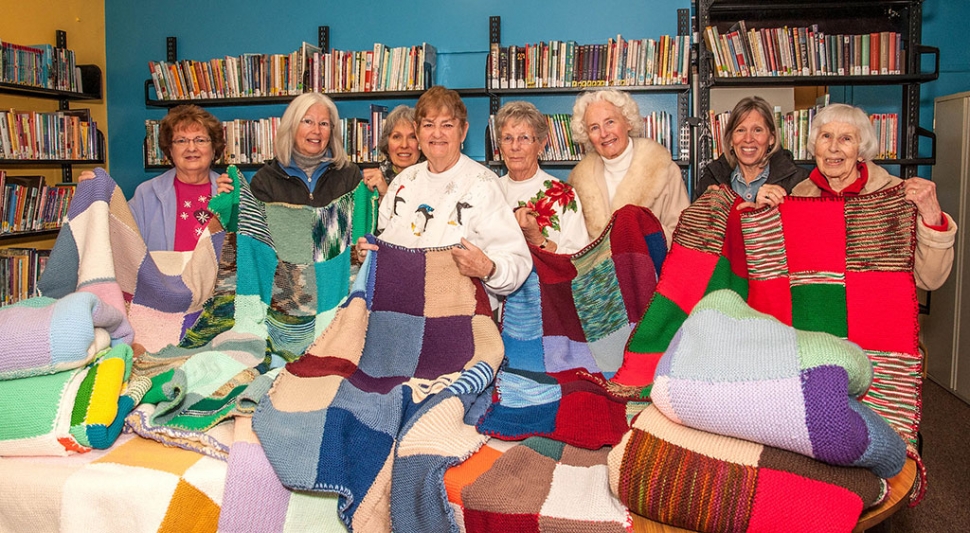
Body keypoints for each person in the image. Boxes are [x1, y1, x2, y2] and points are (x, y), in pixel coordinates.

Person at [357, 86, 532, 300]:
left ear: (463, 131)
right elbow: (385, 240)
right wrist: (369, 253)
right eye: (428, 125)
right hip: (401, 308)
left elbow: (517, 261)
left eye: (447, 125)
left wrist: (488, 268)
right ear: (417, 130)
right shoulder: (403, 182)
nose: (437, 133)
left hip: (459, 313)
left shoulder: (483, 185)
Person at [792, 103, 956, 290]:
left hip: (878, 312)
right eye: (826, 136)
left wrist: (933, 219)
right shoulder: (798, 197)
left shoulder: (896, 198)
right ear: (815, 146)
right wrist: (758, 213)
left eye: (846, 138)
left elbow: (930, 280)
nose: (833, 147)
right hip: (817, 312)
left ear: (861, 152)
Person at [81, 104, 233, 252]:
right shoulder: (147, 193)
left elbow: (244, 251)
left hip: (217, 277)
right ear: (170, 150)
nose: (191, 148)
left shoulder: (229, 192)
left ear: (214, 149)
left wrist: (232, 210)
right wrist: (95, 199)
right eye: (181, 141)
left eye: (200, 140)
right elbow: (118, 237)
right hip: (161, 277)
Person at [568, 89, 689, 247]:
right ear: (587, 135)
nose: (604, 133)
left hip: (655, 268)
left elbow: (683, 234)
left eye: (610, 122)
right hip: (599, 271)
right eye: (594, 128)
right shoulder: (578, 180)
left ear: (628, 122)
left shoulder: (665, 170)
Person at [494, 101, 588, 254]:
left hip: (547, 278)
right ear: (500, 146)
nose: (515, 146)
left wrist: (538, 240)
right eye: (507, 138)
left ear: (541, 144)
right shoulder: (489, 190)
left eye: (524, 138)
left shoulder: (564, 194)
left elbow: (579, 258)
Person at [250, 92, 361, 207]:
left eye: (323, 123)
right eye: (308, 121)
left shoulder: (349, 175)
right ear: (291, 126)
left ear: (332, 131)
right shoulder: (264, 181)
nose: (317, 131)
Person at [695, 96, 809, 206]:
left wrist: (772, 211)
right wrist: (707, 214)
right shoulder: (710, 181)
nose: (748, 139)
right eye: (740, 130)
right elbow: (691, 225)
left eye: (757, 130)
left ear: (771, 138)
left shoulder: (798, 181)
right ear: (730, 139)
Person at [361, 105, 422, 199]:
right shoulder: (373, 181)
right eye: (397, 137)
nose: (404, 145)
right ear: (387, 143)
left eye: (412, 137)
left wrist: (386, 194)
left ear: (421, 143)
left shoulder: (434, 180)